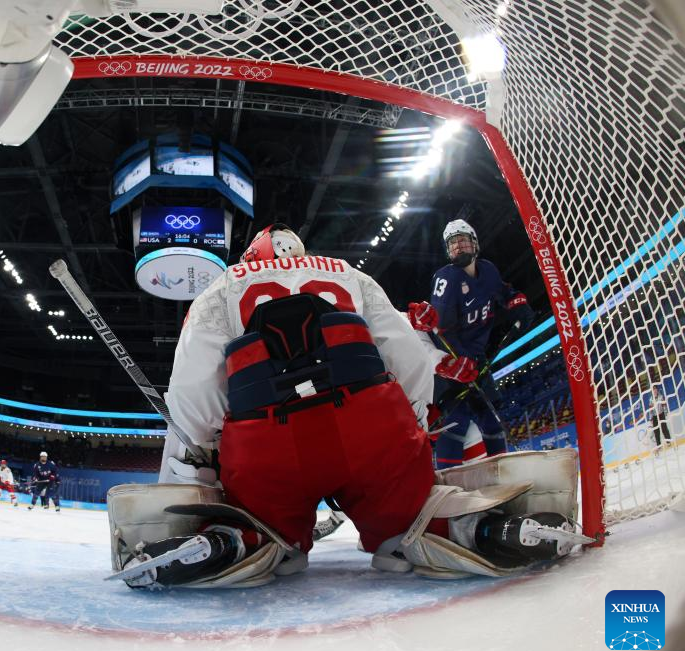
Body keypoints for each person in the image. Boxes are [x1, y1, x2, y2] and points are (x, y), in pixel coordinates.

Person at [111, 222, 585, 589]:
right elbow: (410, 356)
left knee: (276, 541)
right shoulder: (349, 274)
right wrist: (412, 426)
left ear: (252, 256)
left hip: (269, 441)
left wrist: (204, 463)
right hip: (369, 428)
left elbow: (192, 392)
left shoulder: (221, 288)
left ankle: (233, 542)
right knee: (407, 523)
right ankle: (480, 531)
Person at [407, 219, 532, 469]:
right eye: (452, 244)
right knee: (456, 421)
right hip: (450, 361)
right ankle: (449, 476)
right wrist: (458, 361)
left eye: (462, 240)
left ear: (475, 243)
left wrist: (515, 301)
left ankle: (500, 471)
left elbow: (503, 291)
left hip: (476, 357)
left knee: (491, 418)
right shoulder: (447, 279)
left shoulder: (488, 270)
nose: (458, 247)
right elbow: (441, 329)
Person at [650, 385, 671, 450]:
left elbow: (664, 405)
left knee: (664, 428)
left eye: (655, 389)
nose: (654, 390)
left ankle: (668, 442)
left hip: (661, 414)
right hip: (655, 416)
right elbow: (650, 410)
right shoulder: (651, 399)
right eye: (653, 389)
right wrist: (650, 418)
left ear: (657, 390)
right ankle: (659, 446)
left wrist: (665, 412)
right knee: (656, 431)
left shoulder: (661, 396)